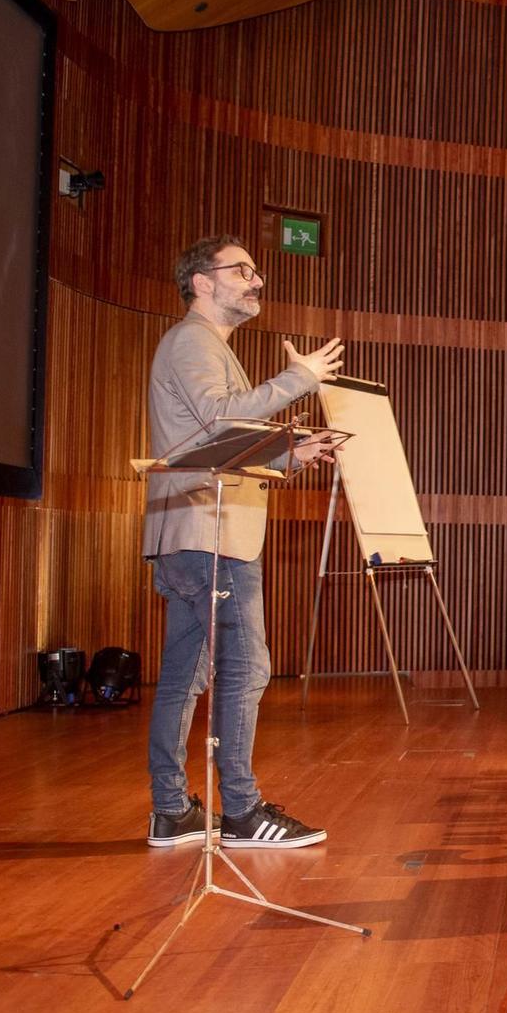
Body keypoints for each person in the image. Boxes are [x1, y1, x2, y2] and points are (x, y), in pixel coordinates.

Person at [143, 235, 344, 851]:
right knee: (244, 667)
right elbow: (221, 417)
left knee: (187, 671)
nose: (256, 280)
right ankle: (241, 812)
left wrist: (289, 452)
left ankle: (172, 810)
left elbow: (217, 439)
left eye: (256, 272)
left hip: (202, 531)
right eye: (242, 270)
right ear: (202, 282)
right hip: (210, 536)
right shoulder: (192, 341)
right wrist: (298, 378)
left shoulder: (205, 347)